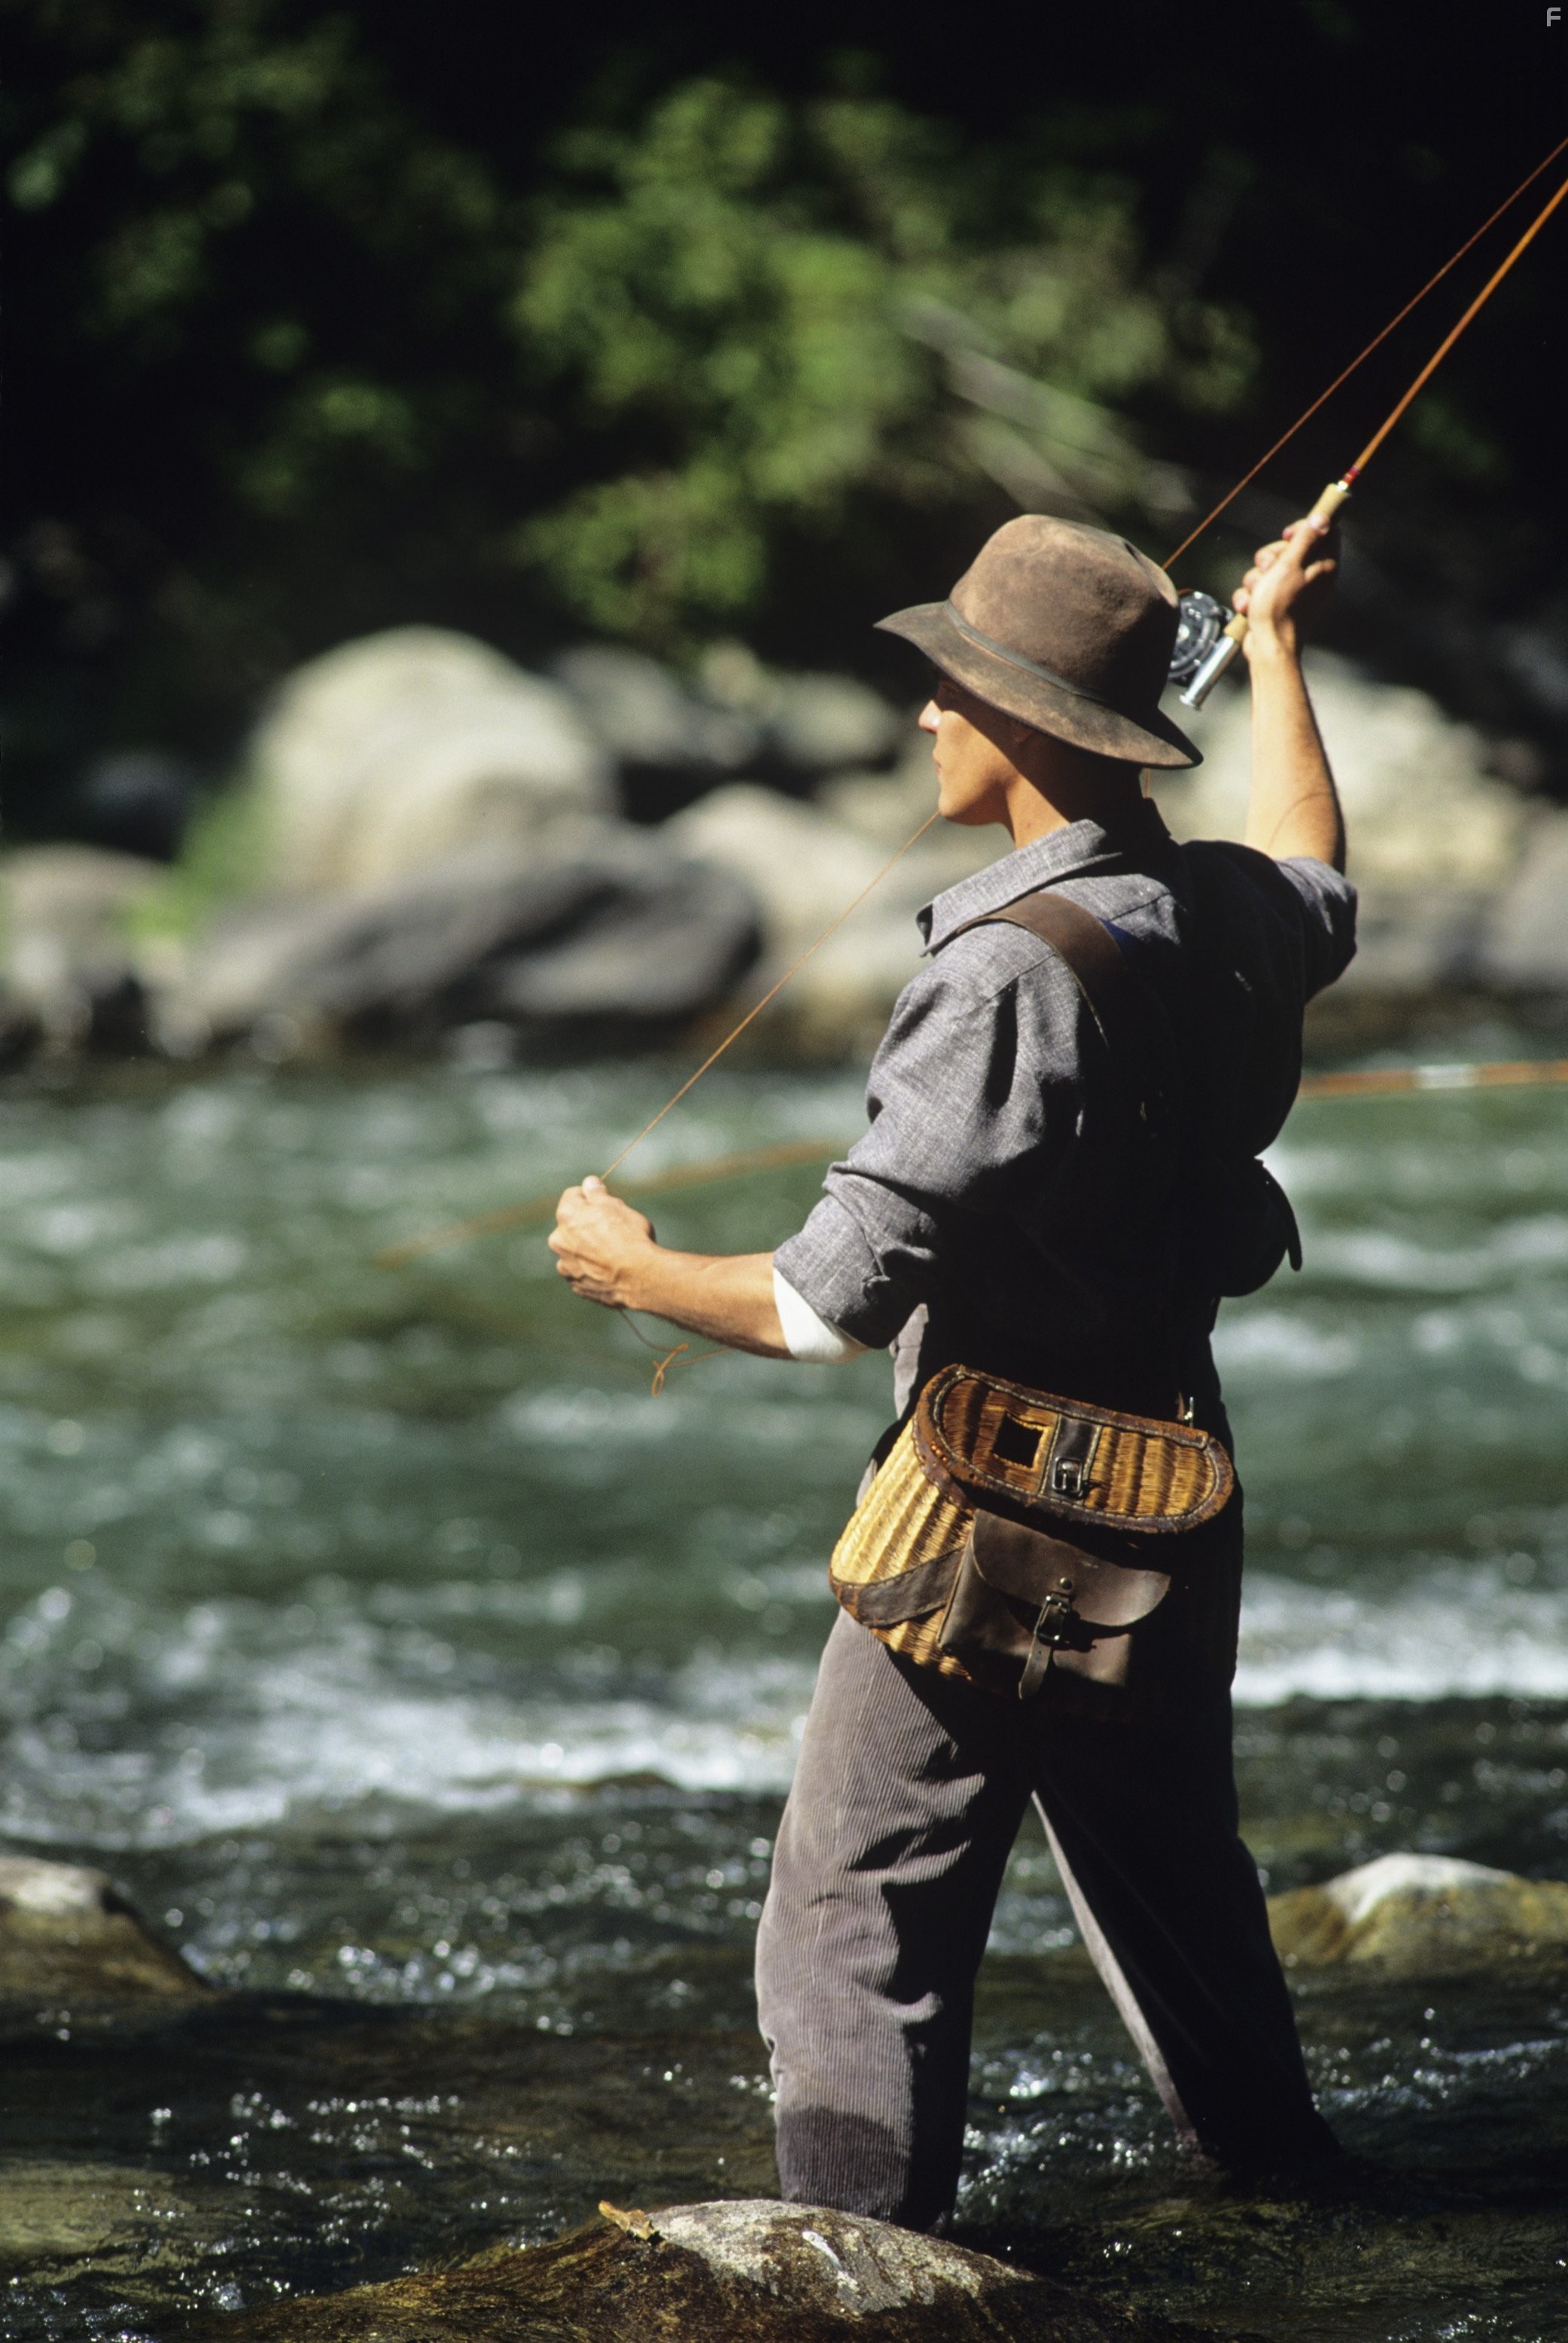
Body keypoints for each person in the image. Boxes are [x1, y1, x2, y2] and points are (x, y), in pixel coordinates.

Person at [549, 508, 1355, 2229]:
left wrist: (626, 1269)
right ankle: (1301, 2213)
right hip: (1173, 1494)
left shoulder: (1001, 974)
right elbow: (1316, 868)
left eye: (949, 685)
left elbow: (818, 1306)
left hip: (987, 1514)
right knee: (1174, 1895)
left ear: (1027, 723)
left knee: (850, 1905)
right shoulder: (1217, 910)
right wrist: (1278, 652)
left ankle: (854, 2263)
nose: (922, 714)